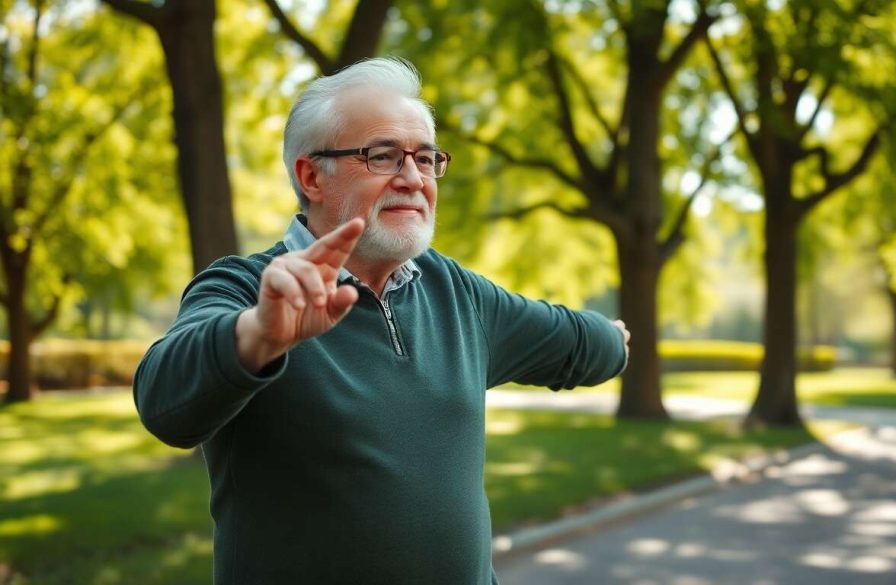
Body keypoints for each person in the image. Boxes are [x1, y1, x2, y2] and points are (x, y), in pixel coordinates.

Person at [133, 57, 630, 585]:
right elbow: (165, 405)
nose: (414, 178)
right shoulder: (247, 288)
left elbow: (575, 341)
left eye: (426, 158)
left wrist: (615, 343)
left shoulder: (456, 293)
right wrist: (259, 335)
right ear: (311, 176)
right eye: (384, 156)